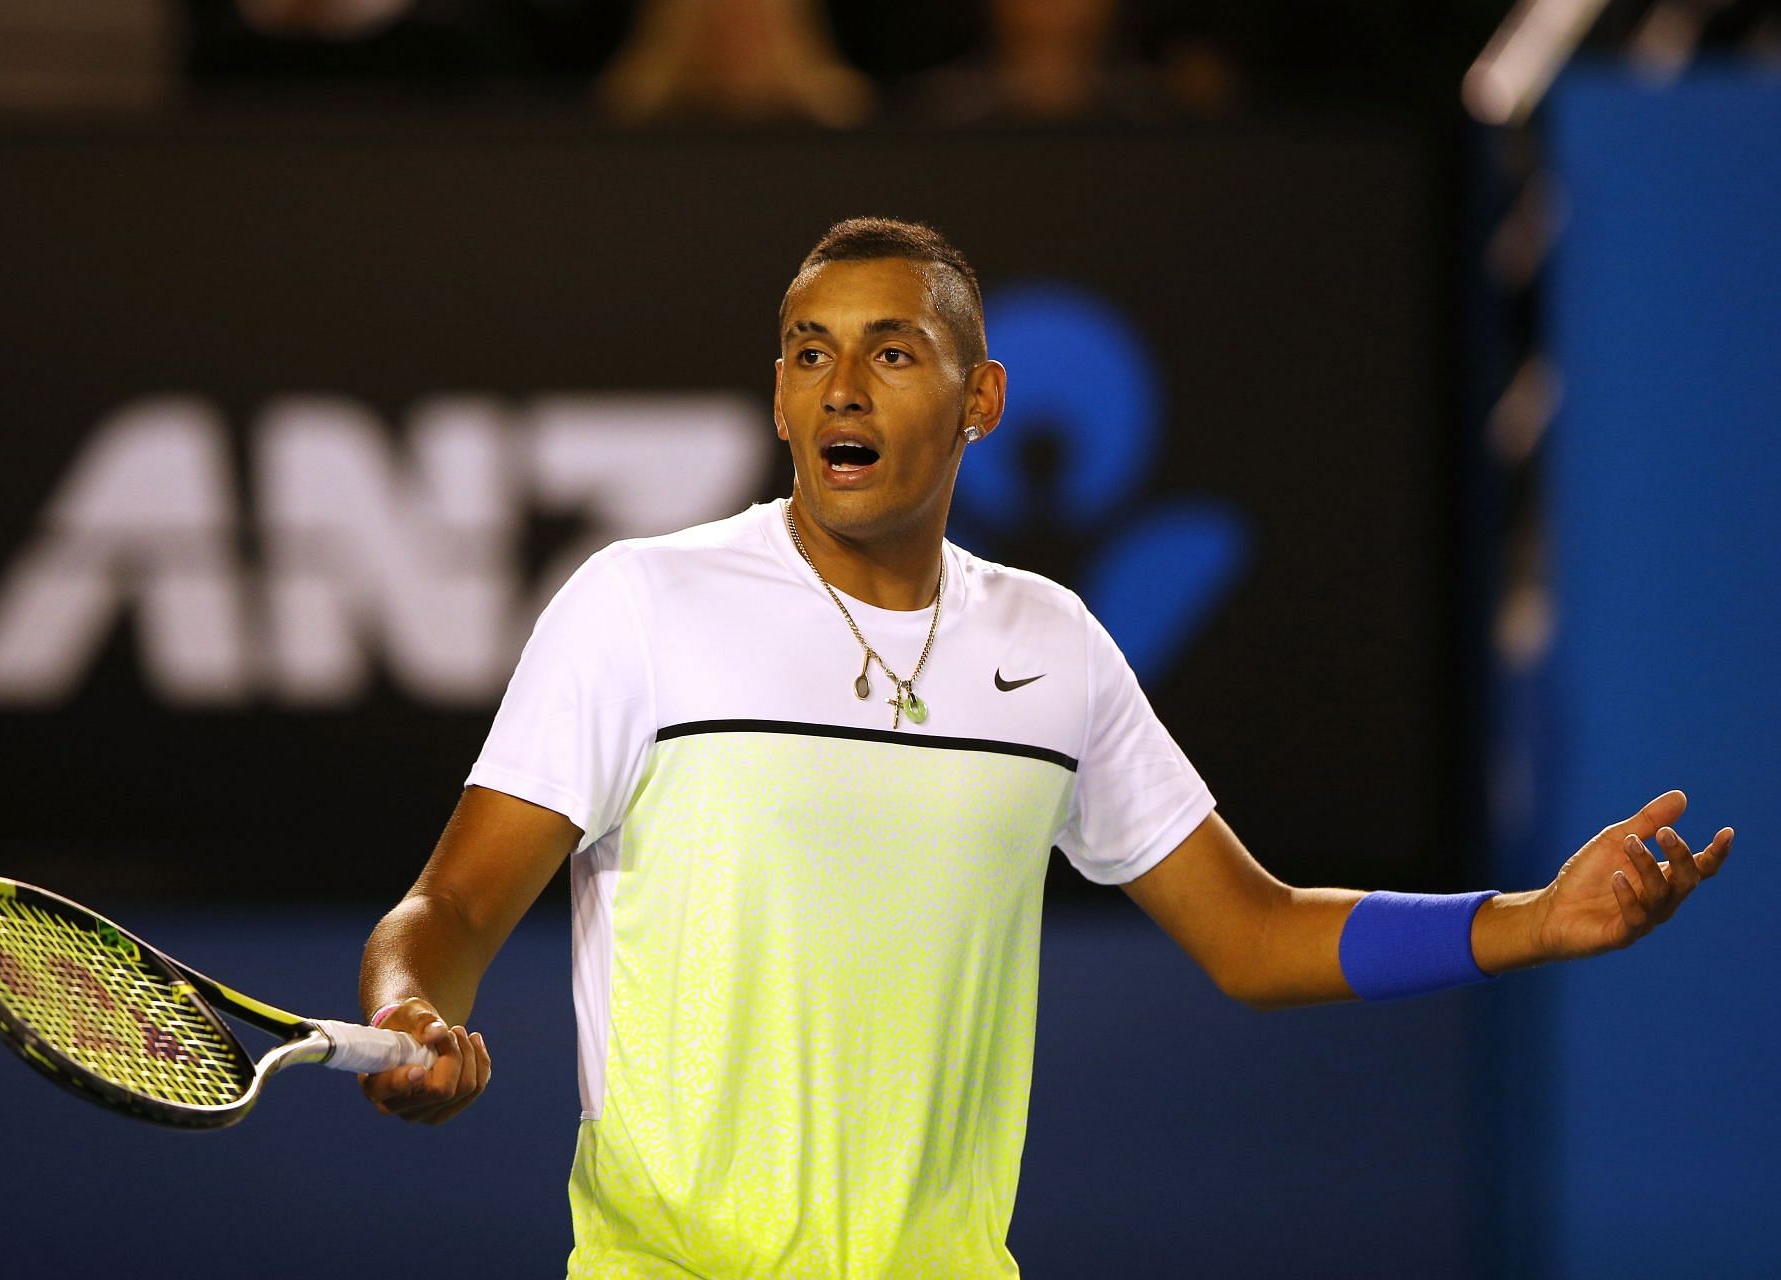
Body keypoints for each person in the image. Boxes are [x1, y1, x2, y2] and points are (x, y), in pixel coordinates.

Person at [356, 217, 1734, 1277]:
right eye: (807, 350)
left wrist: (1527, 923)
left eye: (892, 350)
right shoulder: (639, 604)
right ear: (777, 399)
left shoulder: (1054, 645)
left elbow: (1251, 933)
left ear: (981, 399)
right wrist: (417, 1006)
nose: (842, 386)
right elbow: (457, 902)